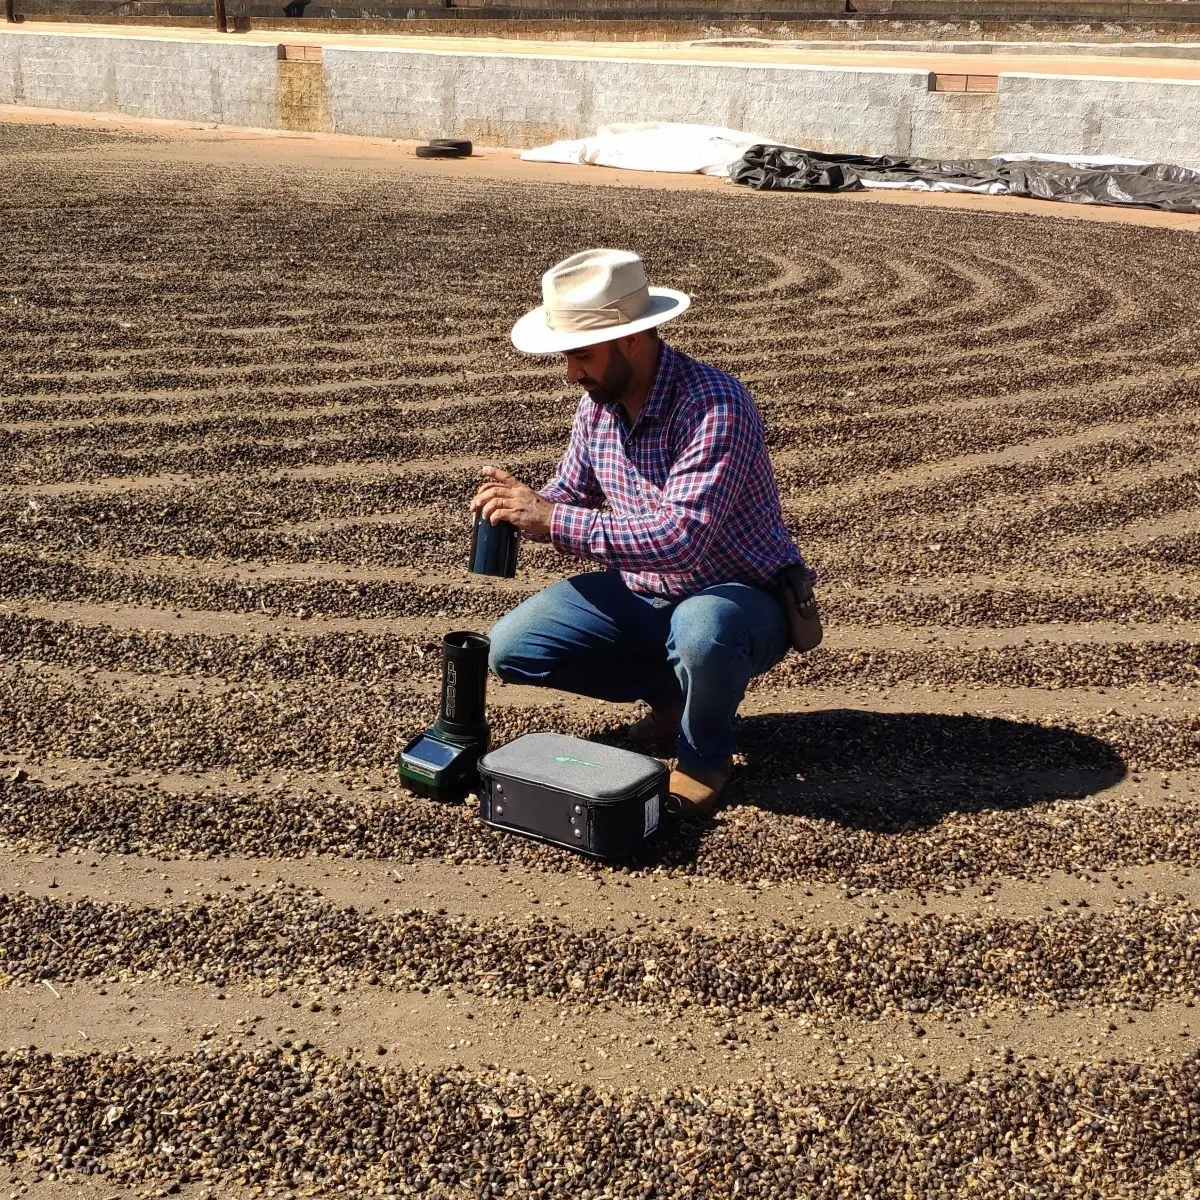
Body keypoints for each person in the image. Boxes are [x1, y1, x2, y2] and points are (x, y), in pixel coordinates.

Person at [471, 248, 814, 815]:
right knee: (514, 648)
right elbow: (572, 494)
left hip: (739, 595)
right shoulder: (598, 406)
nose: (571, 372)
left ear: (632, 338)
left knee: (703, 626)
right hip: (645, 589)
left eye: (581, 354)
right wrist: (518, 505)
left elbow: (682, 540)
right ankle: (671, 693)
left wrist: (551, 519)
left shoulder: (714, 404)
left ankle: (705, 752)